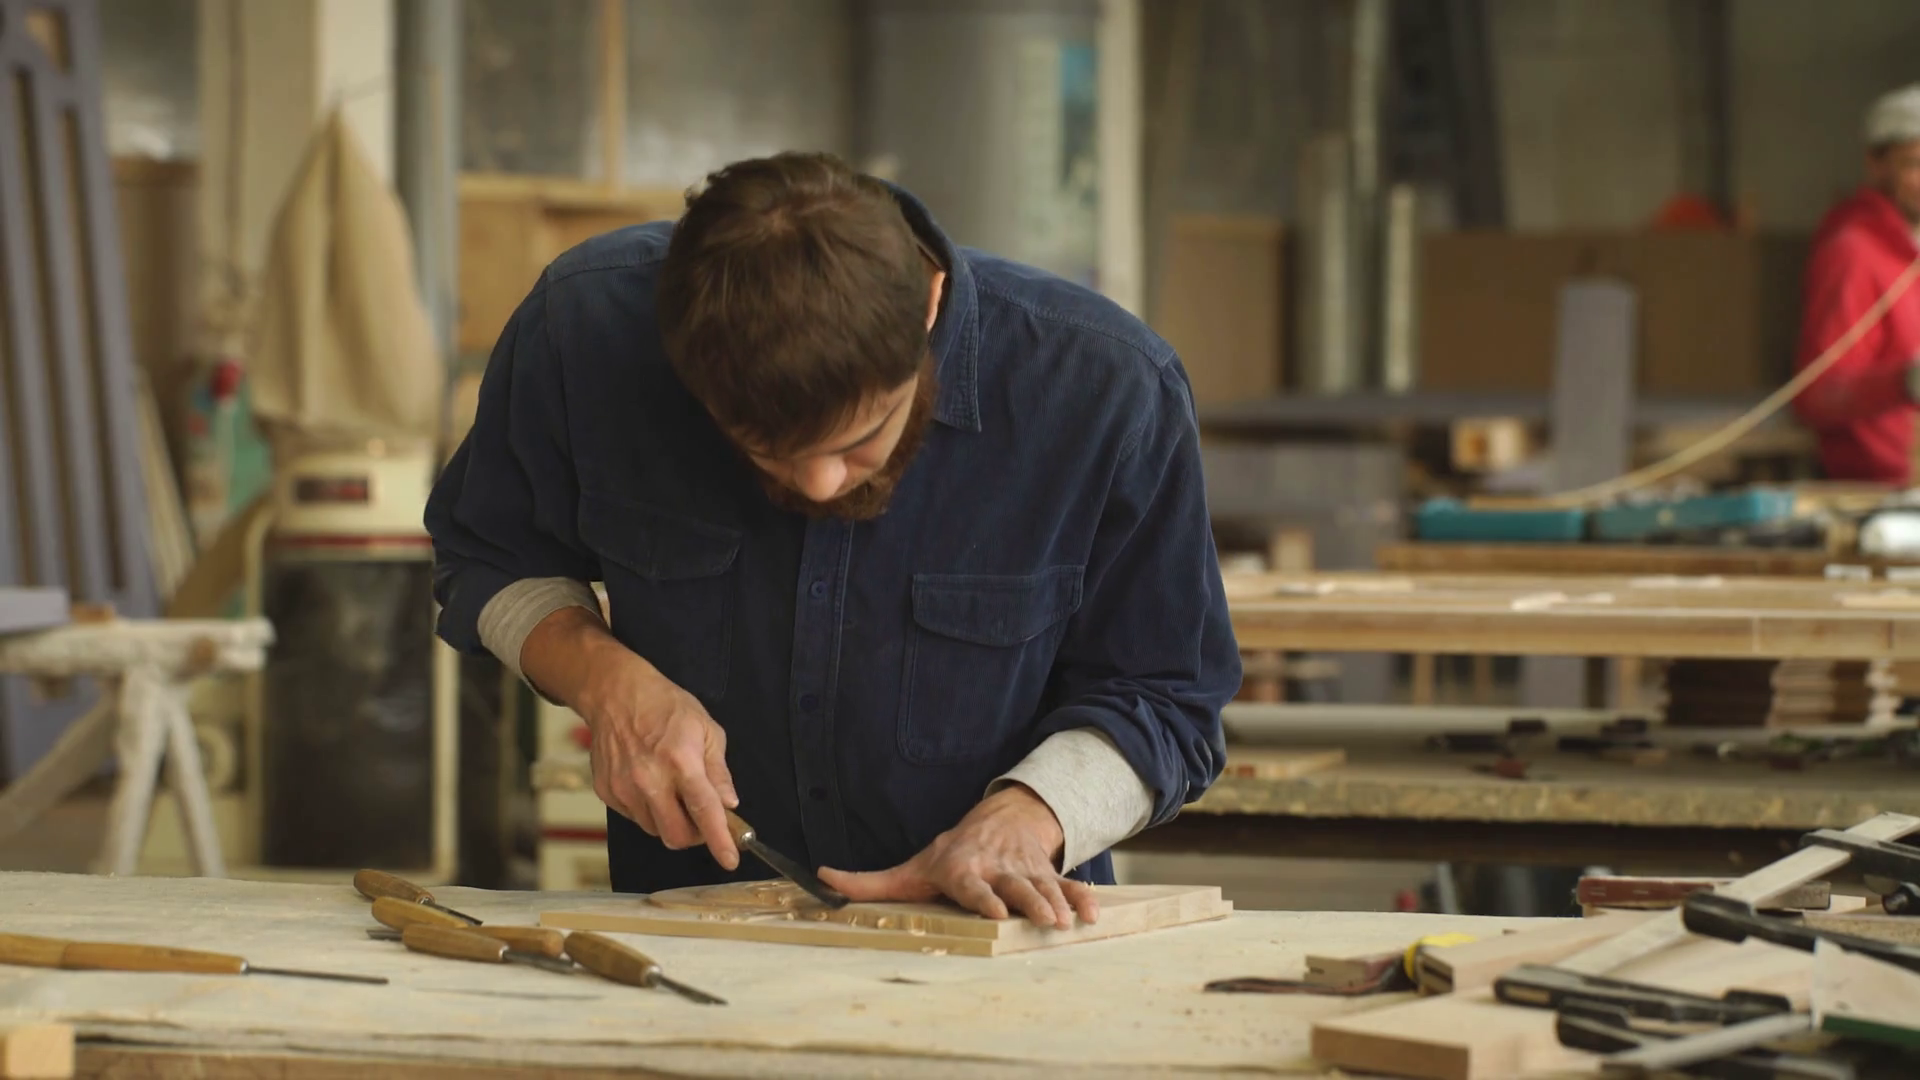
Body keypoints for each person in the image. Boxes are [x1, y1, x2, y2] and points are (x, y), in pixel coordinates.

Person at [425, 152, 1240, 927]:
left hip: (999, 948)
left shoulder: (1105, 389)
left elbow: (1169, 698)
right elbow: (490, 554)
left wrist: (1027, 820)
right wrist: (604, 681)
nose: (819, 486)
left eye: (860, 439)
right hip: (690, 943)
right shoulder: (587, 331)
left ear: (928, 306)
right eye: (764, 450)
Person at [1792, 84, 1920, 485]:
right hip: (1884, 488)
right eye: (1915, 163)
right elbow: (1817, 395)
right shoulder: (1853, 255)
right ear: (1876, 165)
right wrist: (1906, 381)